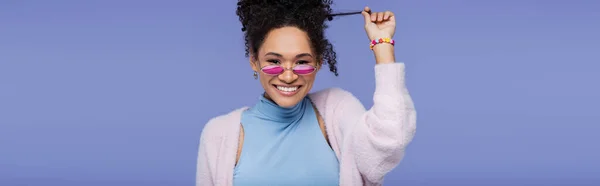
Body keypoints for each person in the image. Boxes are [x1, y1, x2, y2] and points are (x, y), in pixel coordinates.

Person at [196, 0, 416, 185]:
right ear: (254, 61)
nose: (288, 76)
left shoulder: (338, 111)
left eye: (302, 62)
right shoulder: (219, 134)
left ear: (319, 63)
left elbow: (389, 143)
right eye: (274, 61)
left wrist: (383, 45)